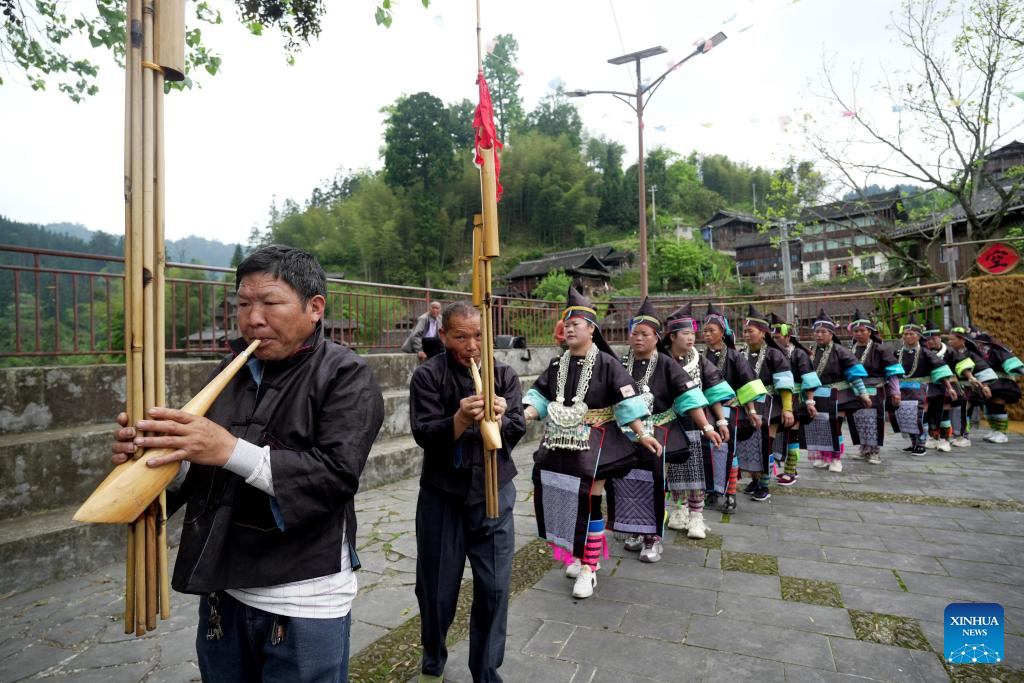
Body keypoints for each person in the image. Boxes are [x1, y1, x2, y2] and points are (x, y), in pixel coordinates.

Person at [111, 245, 385, 683]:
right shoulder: (232, 369)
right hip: (225, 590)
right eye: (242, 304)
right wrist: (158, 458)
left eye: (270, 302)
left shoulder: (346, 374)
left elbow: (334, 476)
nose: (253, 319)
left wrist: (227, 449)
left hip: (303, 599)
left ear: (315, 308)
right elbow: (200, 469)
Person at [408, 301, 526, 683]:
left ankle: (487, 672)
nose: (472, 346)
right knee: (436, 590)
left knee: (494, 589)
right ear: (444, 336)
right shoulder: (428, 376)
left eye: (478, 336)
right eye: (461, 337)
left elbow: (518, 426)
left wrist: (502, 419)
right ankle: (432, 661)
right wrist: (459, 419)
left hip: (494, 493)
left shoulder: (504, 374)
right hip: (443, 495)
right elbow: (424, 433)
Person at [523, 287, 660, 599]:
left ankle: (589, 566)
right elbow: (539, 398)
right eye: (567, 325)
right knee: (564, 497)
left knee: (590, 499)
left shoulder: (608, 365)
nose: (570, 330)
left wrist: (643, 434)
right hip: (559, 442)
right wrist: (525, 415)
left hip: (596, 444)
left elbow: (626, 404)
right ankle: (575, 553)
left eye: (576, 325)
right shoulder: (557, 365)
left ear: (591, 329)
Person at [608, 298, 722, 560]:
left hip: (660, 432)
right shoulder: (620, 363)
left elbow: (689, 398)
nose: (638, 338)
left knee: (654, 483)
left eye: (644, 334)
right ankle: (637, 530)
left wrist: (707, 427)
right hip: (626, 435)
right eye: (634, 333)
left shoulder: (666, 364)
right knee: (628, 483)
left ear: (657, 337)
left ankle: (653, 537)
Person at [661, 303, 735, 538]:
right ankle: (679, 510)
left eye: (693, 333)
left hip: (696, 424)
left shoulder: (700, 361)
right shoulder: (660, 360)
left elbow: (713, 392)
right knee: (671, 471)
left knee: (696, 472)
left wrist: (721, 422)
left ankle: (696, 516)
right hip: (668, 423)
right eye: (686, 333)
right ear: (672, 336)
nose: (692, 337)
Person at [702, 304, 767, 513]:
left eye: (711, 330)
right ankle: (712, 490)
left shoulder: (734, 356)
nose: (707, 334)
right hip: (705, 412)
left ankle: (730, 494)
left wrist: (752, 411)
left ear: (722, 332)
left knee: (728, 451)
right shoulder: (699, 356)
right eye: (704, 331)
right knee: (707, 452)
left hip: (729, 411)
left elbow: (746, 384)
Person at [802, 309, 872, 473]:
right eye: (817, 332)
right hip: (817, 396)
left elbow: (854, 375)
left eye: (823, 332)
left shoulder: (840, 351)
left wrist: (863, 394)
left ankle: (835, 458)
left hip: (838, 397)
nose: (819, 335)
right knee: (819, 427)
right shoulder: (810, 351)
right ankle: (823, 456)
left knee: (835, 427)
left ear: (831, 334)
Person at [738, 305, 795, 502]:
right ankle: (755, 479)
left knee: (765, 444)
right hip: (748, 404)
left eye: (750, 331)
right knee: (749, 444)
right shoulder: (740, 354)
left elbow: (785, 384)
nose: (746, 335)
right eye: (745, 331)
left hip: (771, 405)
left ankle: (764, 484)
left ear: (763, 333)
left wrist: (787, 409)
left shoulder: (774, 354)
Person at [890, 315, 957, 455]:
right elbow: (890, 370)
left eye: (911, 334)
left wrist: (949, 388)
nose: (908, 337)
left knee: (918, 417)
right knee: (905, 417)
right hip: (902, 390)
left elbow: (939, 369)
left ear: (919, 336)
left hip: (919, 390)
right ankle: (913, 443)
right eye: (905, 334)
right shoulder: (897, 353)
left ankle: (921, 444)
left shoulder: (925, 353)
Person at [769, 313, 821, 483]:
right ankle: (789, 468)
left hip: (796, 400)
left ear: (788, 337)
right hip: (778, 399)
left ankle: (790, 471)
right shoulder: (771, 353)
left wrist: (810, 401)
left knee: (792, 434)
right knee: (779, 435)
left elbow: (809, 379)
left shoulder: (799, 354)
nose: (774, 340)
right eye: (772, 337)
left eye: (777, 337)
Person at [848, 310, 904, 464]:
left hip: (875, 388)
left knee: (873, 419)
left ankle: (874, 451)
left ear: (870, 331)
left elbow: (892, 371)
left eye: (862, 331)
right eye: (856, 331)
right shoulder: (850, 349)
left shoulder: (880, 349)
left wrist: (895, 392)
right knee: (858, 419)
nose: (859, 334)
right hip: (855, 390)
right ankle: (864, 449)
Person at [922, 323, 984, 451]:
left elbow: (962, 365)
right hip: (929, 387)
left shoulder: (950, 352)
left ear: (939, 338)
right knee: (929, 413)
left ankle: (945, 439)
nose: (931, 341)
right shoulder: (923, 352)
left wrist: (970, 377)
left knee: (945, 411)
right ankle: (933, 437)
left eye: (933, 338)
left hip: (948, 387)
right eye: (928, 339)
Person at [971, 329, 1024, 444]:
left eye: (978, 343)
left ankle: (1002, 432)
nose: (977, 345)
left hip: (1001, 383)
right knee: (990, 407)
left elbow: (1010, 362)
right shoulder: (979, 354)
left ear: (984, 343)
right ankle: (994, 430)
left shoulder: (997, 351)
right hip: (987, 383)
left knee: (997, 405)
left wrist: (1020, 370)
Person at [947, 323, 995, 446]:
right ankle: (956, 435)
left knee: (964, 412)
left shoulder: (971, 354)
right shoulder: (948, 353)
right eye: (949, 340)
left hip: (968, 389)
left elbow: (982, 370)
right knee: (954, 412)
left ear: (962, 340)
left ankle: (964, 437)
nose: (950, 342)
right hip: (953, 388)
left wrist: (985, 386)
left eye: (953, 339)